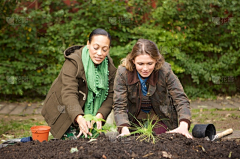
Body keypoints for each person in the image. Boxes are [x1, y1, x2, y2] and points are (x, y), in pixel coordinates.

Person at [41, 28, 116, 139]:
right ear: (88, 44)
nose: (99, 53)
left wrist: (100, 115)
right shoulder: (73, 62)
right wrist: (79, 117)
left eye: (104, 49)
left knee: (94, 141)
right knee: (72, 143)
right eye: (95, 48)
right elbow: (69, 93)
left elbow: (110, 95)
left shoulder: (109, 68)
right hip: (64, 110)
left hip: (89, 113)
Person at [113, 39, 192, 138]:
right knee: (135, 140)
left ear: (156, 60)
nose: (145, 69)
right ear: (133, 61)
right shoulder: (122, 73)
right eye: (140, 64)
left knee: (161, 139)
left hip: (159, 115)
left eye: (150, 63)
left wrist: (184, 125)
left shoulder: (165, 71)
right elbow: (119, 105)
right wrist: (124, 128)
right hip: (134, 117)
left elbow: (180, 98)